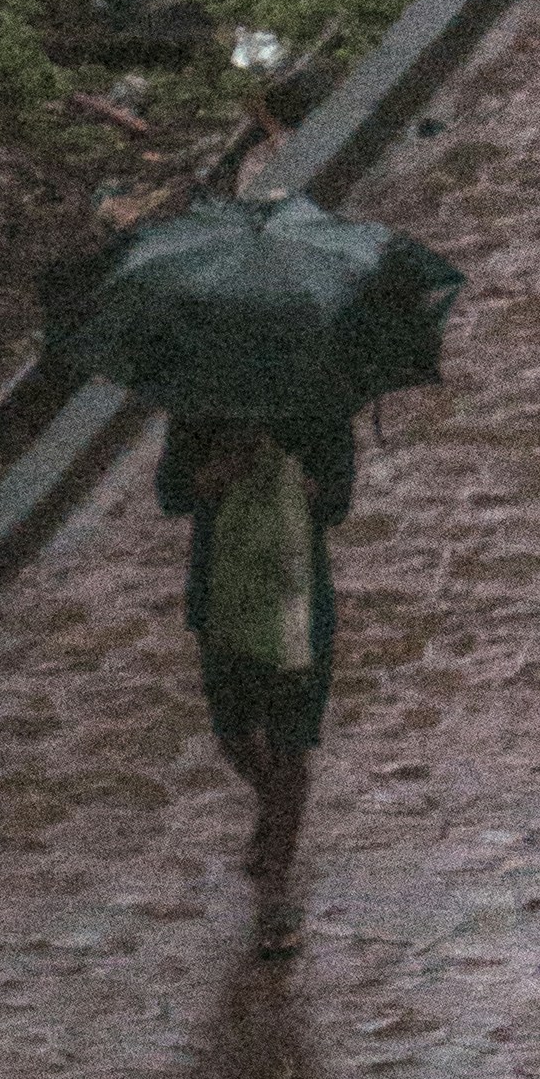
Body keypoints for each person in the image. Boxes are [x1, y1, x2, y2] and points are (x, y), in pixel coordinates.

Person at [157, 400, 357, 958]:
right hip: (222, 602)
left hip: (296, 603)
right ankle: (276, 810)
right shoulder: (200, 407)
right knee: (233, 733)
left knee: (292, 744)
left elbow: (338, 499)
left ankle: (275, 895)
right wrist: (216, 476)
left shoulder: (318, 407)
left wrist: (303, 488)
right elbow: (171, 491)